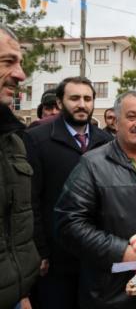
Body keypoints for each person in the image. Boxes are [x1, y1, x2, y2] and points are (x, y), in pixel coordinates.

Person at [54, 89, 136, 309]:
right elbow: (68, 224)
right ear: (115, 120)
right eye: (132, 116)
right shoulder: (93, 164)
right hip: (109, 292)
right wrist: (123, 251)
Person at [24, 76, 112, 309]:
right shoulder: (37, 140)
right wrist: (40, 251)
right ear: (60, 103)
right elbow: (31, 199)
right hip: (55, 258)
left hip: (97, 255)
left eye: (87, 98)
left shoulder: (107, 142)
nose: (82, 104)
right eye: (74, 98)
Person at [0, 23, 40, 309]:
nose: (20, 75)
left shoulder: (12, 140)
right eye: (8, 62)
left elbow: (15, 224)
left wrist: (20, 292)